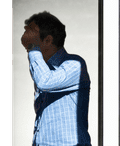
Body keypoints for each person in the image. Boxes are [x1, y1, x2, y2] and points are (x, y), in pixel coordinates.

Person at [20, 11, 91, 146]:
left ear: (48, 40)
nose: (26, 37)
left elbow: (45, 81)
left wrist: (32, 48)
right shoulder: (42, 69)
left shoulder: (75, 65)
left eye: (32, 34)